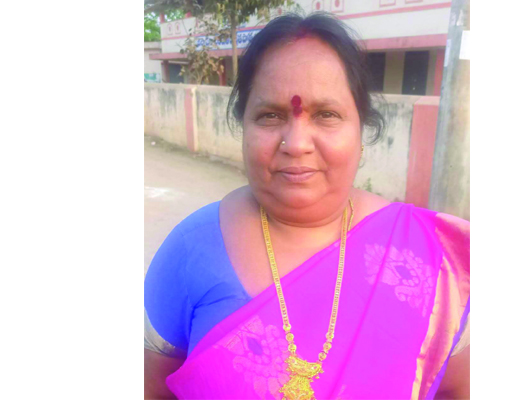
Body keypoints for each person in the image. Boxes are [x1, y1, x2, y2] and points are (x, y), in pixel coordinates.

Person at [144, 12, 470, 400]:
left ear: (361, 128)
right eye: (270, 115)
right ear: (243, 126)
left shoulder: (431, 258)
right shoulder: (191, 249)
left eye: (326, 115)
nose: (297, 143)